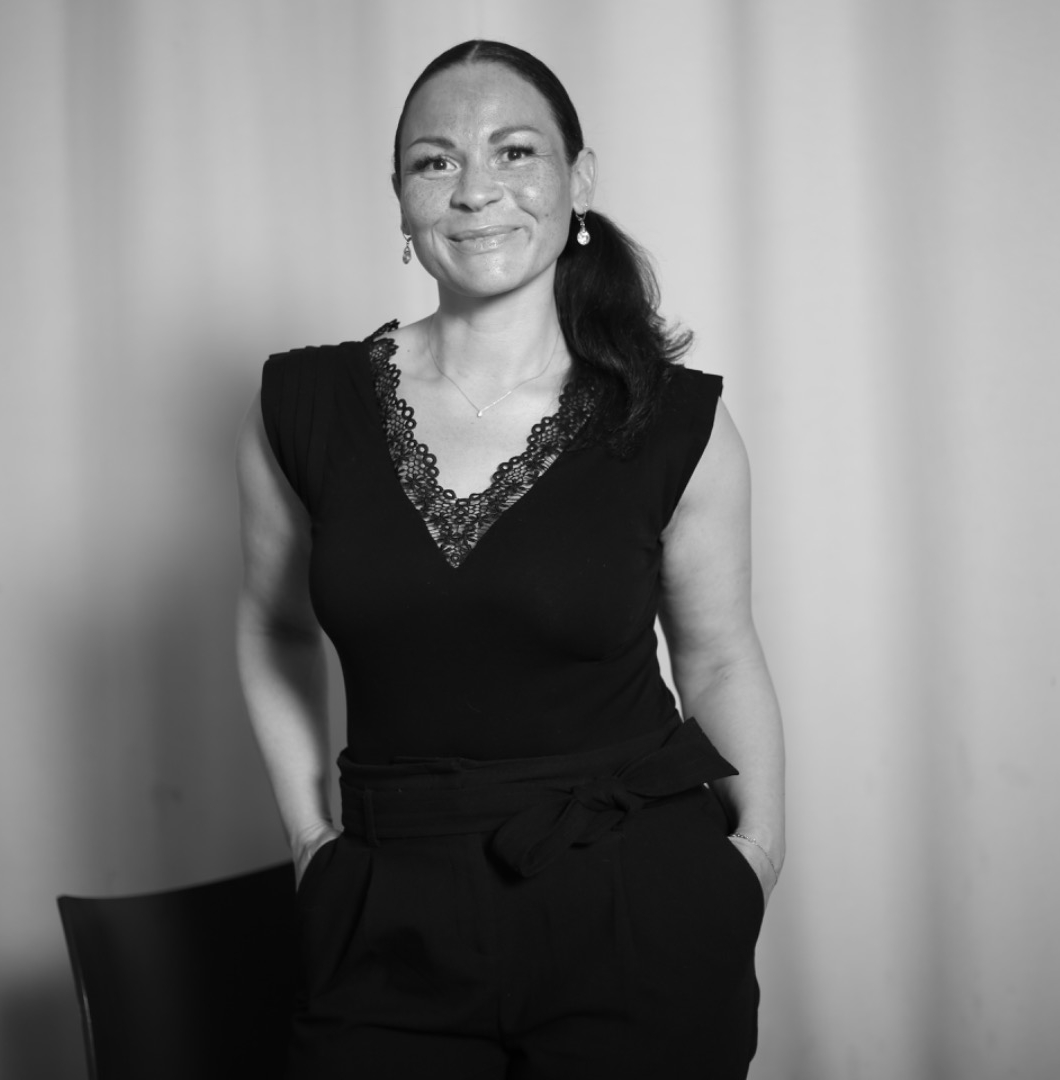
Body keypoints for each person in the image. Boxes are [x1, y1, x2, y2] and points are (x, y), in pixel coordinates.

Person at [235, 39, 784, 1079]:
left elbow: (717, 654)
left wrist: (753, 858)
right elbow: (271, 625)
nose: (475, 189)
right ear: (401, 199)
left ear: (579, 180)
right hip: (388, 909)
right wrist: (310, 840)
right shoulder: (300, 408)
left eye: (514, 151)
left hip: (635, 903)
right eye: (435, 160)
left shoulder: (674, 421)